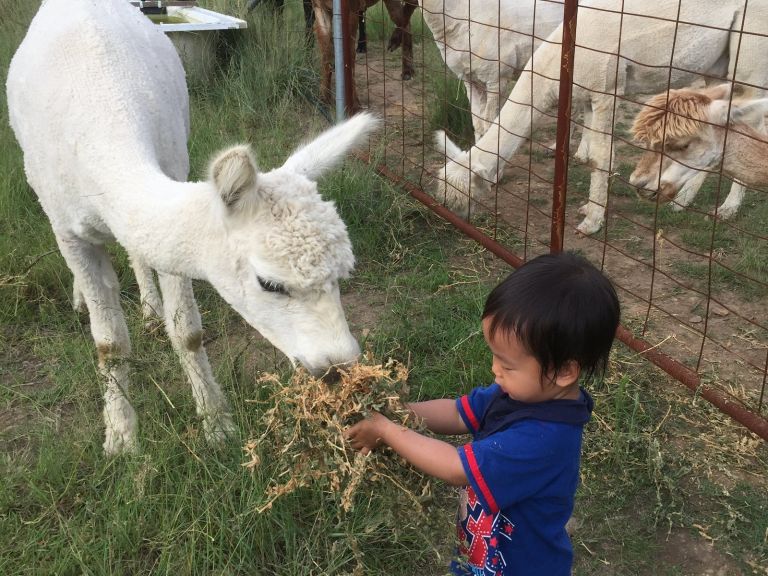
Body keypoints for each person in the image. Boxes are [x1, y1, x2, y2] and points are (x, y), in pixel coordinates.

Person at [344, 251, 620, 576]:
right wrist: (399, 412)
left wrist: (387, 430)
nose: (494, 370)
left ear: (562, 372)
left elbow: (454, 467)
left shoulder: (543, 438)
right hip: (480, 556)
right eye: (494, 357)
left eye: (507, 364)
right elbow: (457, 413)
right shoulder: (514, 394)